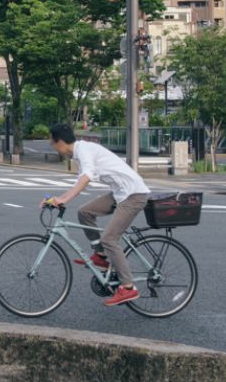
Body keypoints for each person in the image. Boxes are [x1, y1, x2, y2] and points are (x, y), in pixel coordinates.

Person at [40, 123, 151, 307]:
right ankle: (101, 257)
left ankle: (128, 287)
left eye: (52, 143)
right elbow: (81, 180)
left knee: (110, 239)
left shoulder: (83, 150)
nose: (53, 147)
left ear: (60, 142)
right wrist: (59, 198)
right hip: (120, 193)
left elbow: (86, 177)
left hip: (134, 195)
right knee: (85, 212)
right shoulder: (80, 152)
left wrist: (63, 200)